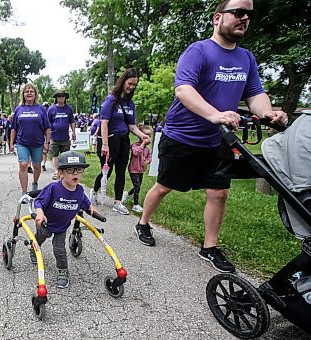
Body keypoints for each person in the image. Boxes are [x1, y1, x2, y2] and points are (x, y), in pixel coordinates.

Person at [135, 0, 288, 271]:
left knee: (218, 193)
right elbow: (183, 89)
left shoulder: (246, 59)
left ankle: (209, 247)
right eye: (238, 12)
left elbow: (255, 95)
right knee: (165, 186)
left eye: (248, 15)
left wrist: (269, 114)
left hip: (219, 139)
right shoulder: (198, 51)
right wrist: (215, 114)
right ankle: (143, 222)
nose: (244, 18)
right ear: (218, 18)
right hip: (183, 137)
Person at [32, 150, 96, 288]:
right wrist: (40, 213)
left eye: (79, 170)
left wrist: (90, 207)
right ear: (60, 173)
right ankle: (34, 248)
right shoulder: (53, 188)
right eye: (70, 170)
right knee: (40, 238)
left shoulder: (79, 190)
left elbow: (84, 200)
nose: (75, 173)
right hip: (45, 223)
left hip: (62, 226)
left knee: (59, 249)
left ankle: (62, 271)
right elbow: (38, 202)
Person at [90, 68, 150, 215]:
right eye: (130, 83)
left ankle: (117, 202)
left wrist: (142, 135)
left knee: (121, 171)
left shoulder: (130, 104)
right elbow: (104, 123)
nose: (132, 87)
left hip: (123, 140)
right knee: (107, 171)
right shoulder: (111, 100)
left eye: (134, 84)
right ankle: (95, 190)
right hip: (109, 140)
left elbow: (131, 126)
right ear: (123, 81)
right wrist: (104, 145)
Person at [10, 83, 51, 195]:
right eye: (26, 91)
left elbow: (47, 128)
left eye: (31, 91)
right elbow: (13, 128)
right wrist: (11, 143)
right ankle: (24, 192)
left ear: (35, 94)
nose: (29, 93)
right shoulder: (19, 109)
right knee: (23, 165)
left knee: (37, 166)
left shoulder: (41, 108)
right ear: (23, 94)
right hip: (22, 142)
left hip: (37, 143)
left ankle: (35, 183)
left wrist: (47, 143)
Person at [122, 124, 153, 213]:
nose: (148, 138)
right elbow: (136, 153)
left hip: (141, 170)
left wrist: (147, 161)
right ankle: (136, 204)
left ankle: (127, 194)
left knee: (137, 186)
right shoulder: (135, 145)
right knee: (137, 186)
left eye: (150, 136)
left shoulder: (147, 149)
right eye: (146, 136)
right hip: (133, 170)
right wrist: (143, 144)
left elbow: (149, 156)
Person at [48, 90, 76, 180]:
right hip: (54, 137)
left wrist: (74, 132)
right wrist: (47, 136)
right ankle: (56, 172)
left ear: (65, 97)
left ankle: (63, 172)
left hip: (65, 137)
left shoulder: (69, 109)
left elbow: (72, 121)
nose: (61, 97)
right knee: (55, 155)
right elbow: (47, 123)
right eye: (59, 96)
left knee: (65, 155)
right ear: (56, 98)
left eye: (62, 96)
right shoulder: (52, 109)